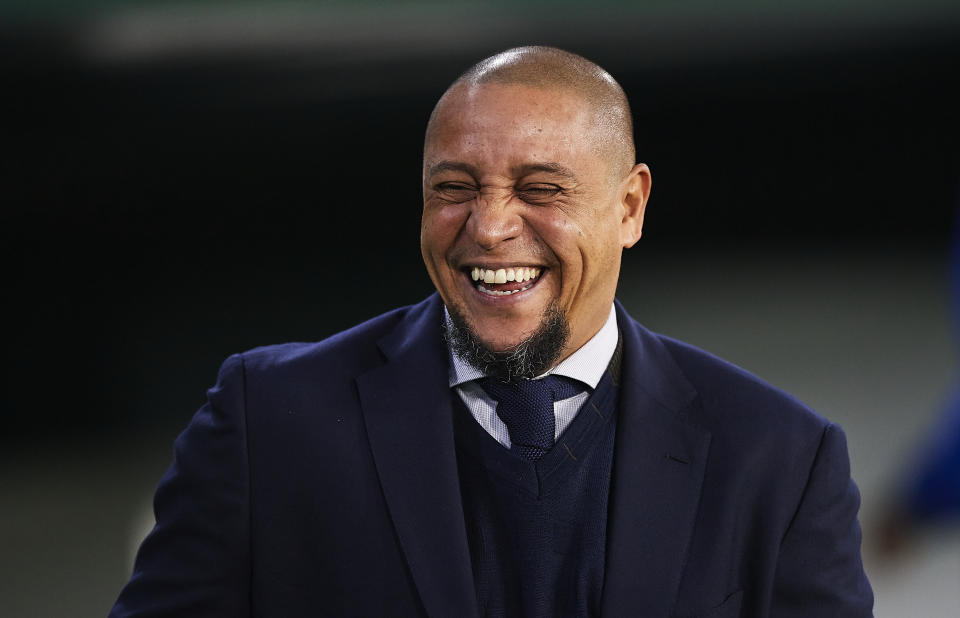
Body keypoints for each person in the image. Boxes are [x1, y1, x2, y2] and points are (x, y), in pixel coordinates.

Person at [110, 46, 873, 617]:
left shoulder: (779, 459)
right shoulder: (266, 421)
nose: (491, 226)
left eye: (541, 189)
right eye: (455, 189)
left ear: (629, 208)